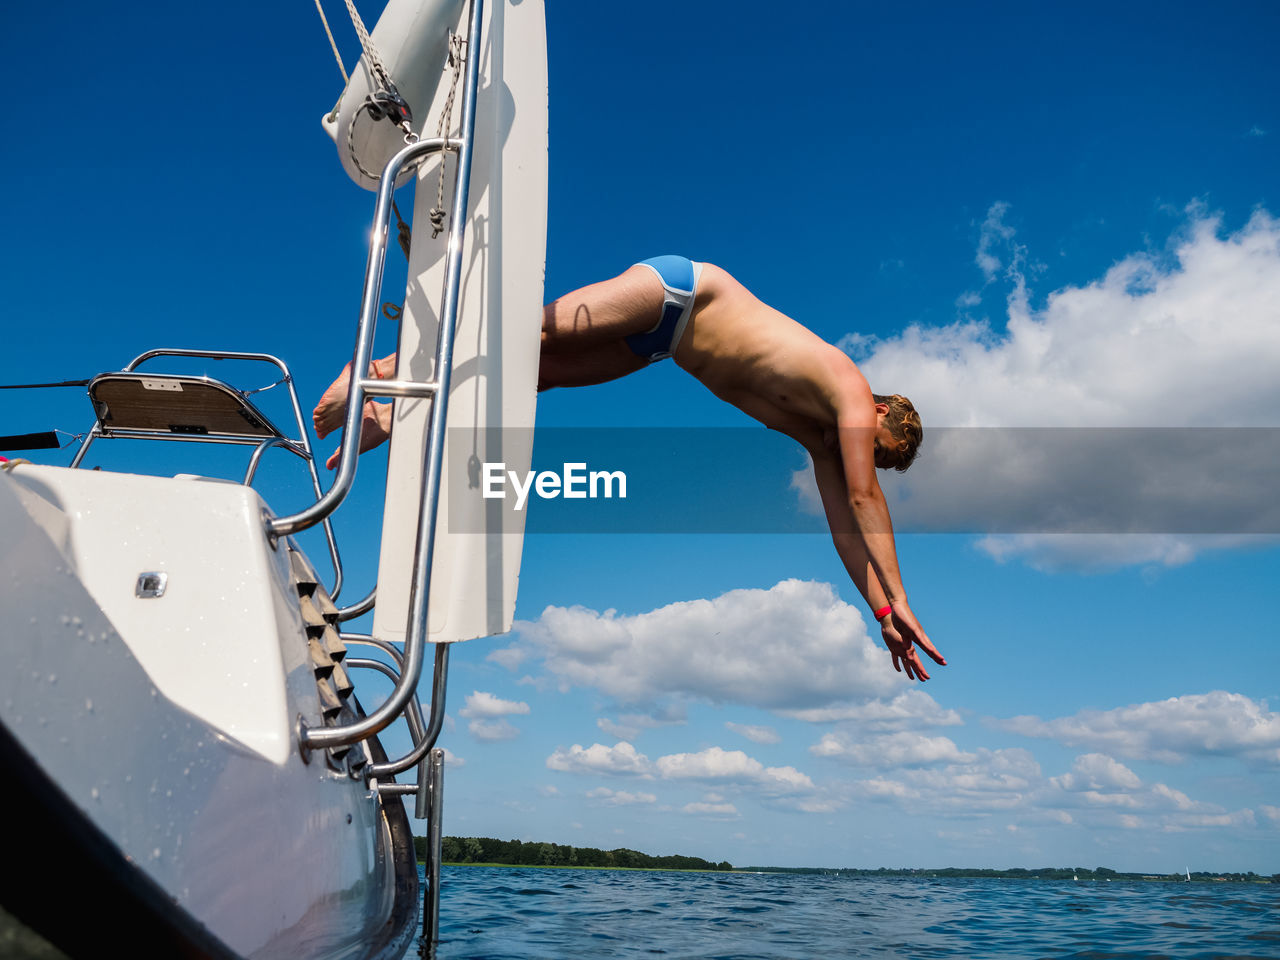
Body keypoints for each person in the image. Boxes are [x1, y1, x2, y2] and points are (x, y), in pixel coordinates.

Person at [313, 256, 946, 681]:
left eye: (878, 457)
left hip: (663, 345)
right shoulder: (854, 393)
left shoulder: (821, 438)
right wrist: (907, 597)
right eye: (879, 446)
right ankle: (375, 372)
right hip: (684, 289)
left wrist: (884, 616)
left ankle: (390, 415)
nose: (864, 451)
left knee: (535, 377)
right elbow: (864, 500)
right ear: (885, 410)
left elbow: (844, 529)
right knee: (538, 334)